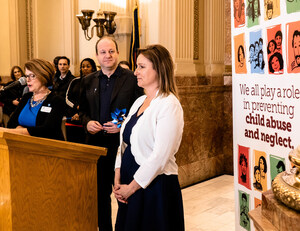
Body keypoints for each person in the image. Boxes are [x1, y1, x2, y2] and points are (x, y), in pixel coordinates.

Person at [113, 44, 185, 231]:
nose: (136, 72)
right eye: (136, 66)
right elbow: (124, 143)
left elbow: (160, 156)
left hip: (154, 187)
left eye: (141, 66)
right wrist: (117, 177)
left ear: (159, 69)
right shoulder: (139, 101)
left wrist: (132, 187)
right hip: (130, 182)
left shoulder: (169, 104)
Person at [79, 36, 143, 231]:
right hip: (96, 147)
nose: (107, 56)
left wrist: (122, 125)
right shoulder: (88, 81)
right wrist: (87, 122)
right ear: (97, 56)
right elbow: (82, 111)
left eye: (111, 51)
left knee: (125, 194)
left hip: (123, 148)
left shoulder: (133, 79)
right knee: (100, 196)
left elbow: (142, 110)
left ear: (117, 53)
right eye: (103, 52)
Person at [3, 59, 65, 140]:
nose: (28, 80)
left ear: (43, 76)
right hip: (22, 146)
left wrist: (19, 131)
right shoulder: (26, 97)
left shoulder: (57, 100)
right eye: (27, 76)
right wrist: (20, 130)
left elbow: (47, 130)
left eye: (32, 76)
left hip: (48, 148)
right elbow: (11, 124)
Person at [65, 58, 97, 143]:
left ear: (93, 68)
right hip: (72, 116)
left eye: (88, 66)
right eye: (83, 66)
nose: (85, 68)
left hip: (88, 118)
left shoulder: (97, 81)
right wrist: (76, 107)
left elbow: (95, 101)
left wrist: (81, 112)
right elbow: (67, 98)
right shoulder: (75, 81)